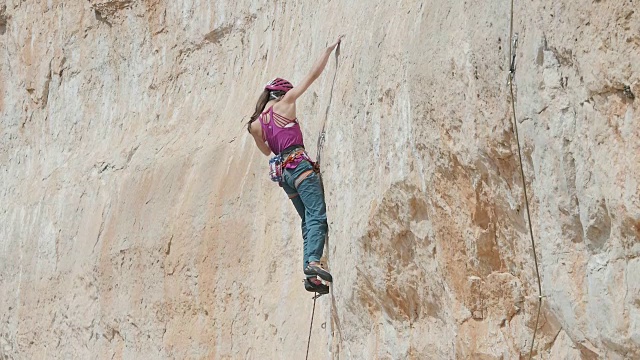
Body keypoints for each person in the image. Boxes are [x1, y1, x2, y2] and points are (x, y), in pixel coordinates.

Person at [247, 36, 344, 295]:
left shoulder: (256, 124)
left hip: (284, 176)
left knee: (306, 220)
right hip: (299, 166)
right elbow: (312, 76)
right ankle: (313, 263)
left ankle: (311, 276)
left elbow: (267, 150)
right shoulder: (285, 103)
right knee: (316, 216)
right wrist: (327, 49)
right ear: (281, 93)